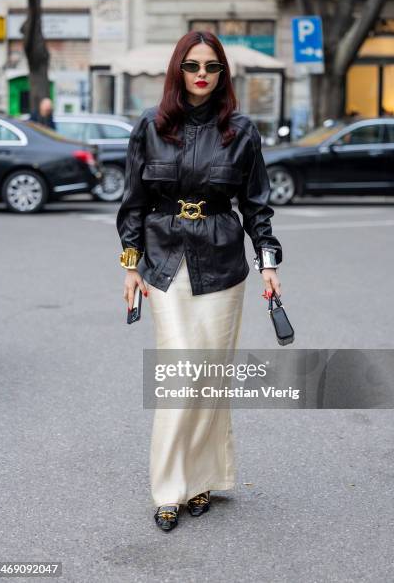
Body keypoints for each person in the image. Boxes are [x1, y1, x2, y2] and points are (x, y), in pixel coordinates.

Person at [115, 30, 282, 532]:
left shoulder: (242, 130)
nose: (202, 74)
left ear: (223, 73)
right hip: (165, 261)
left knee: (209, 379)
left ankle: (203, 477)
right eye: (192, 65)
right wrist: (130, 264)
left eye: (211, 66)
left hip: (224, 263)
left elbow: (256, 205)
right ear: (178, 70)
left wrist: (268, 262)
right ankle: (168, 488)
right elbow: (133, 204)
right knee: (180, 377)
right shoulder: (150, 125)